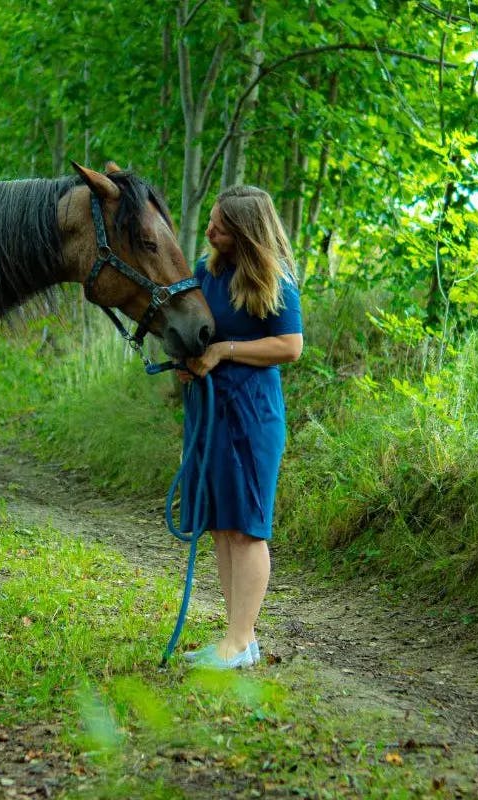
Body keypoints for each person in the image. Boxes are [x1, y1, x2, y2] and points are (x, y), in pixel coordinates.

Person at [177, 185, 303, 670]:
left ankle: (238, 641)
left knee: (247, 528)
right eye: (211, 221)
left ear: (248, 233)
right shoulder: (205, 272)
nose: (210, 231)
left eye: (222, 227)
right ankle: (239, 640)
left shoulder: (274, 279)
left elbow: (290, 346)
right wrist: (188, 361)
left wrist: (223, 352)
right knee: (222, 524)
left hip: (251, 414)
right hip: (208, 411)